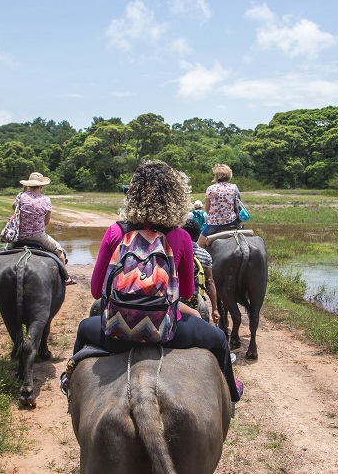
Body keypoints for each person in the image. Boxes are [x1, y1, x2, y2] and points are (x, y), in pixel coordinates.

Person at [68, 160, 243, 403]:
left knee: (83, 329)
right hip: (168, 332)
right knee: (219, 340)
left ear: (133, 194)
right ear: (175, 195)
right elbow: (186, 291)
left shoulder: (115, 232)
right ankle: (232, 394)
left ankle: (69, 386)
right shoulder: (180, 236)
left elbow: (97, 291)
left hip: (116, 333)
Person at [13, 172, 75, 285]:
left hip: (19, 236)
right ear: (41, 186)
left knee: (4, 252)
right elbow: (46, 222)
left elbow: (14, 208)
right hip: (39, 237)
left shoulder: (20, 196)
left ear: (29, 185)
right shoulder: (46, 200)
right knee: (59, 251)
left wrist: (24, 192)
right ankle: (66, 278)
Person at [181, 218, 220, 324]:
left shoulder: (174, 251)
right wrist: (215, 309)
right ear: (198, 235)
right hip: (197, 300)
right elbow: (210, 282)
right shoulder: (205, 254)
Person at [198, 164, 242, 248]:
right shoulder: (234, 187)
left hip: (215, 223)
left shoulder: (211, 188)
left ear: (217, 176)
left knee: (199, 245)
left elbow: (207, 209)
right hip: (232, 221)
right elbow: (237, 204)